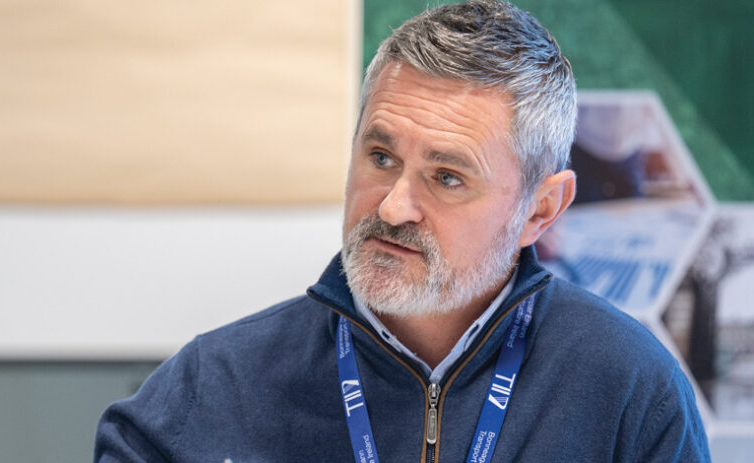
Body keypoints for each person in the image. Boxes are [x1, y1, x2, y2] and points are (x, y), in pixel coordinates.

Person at [94, 1, 710, 462]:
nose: (392, 208)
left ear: (539, 211)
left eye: (446, 177)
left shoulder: (632, 393)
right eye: (381, 157)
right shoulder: (209, 388)